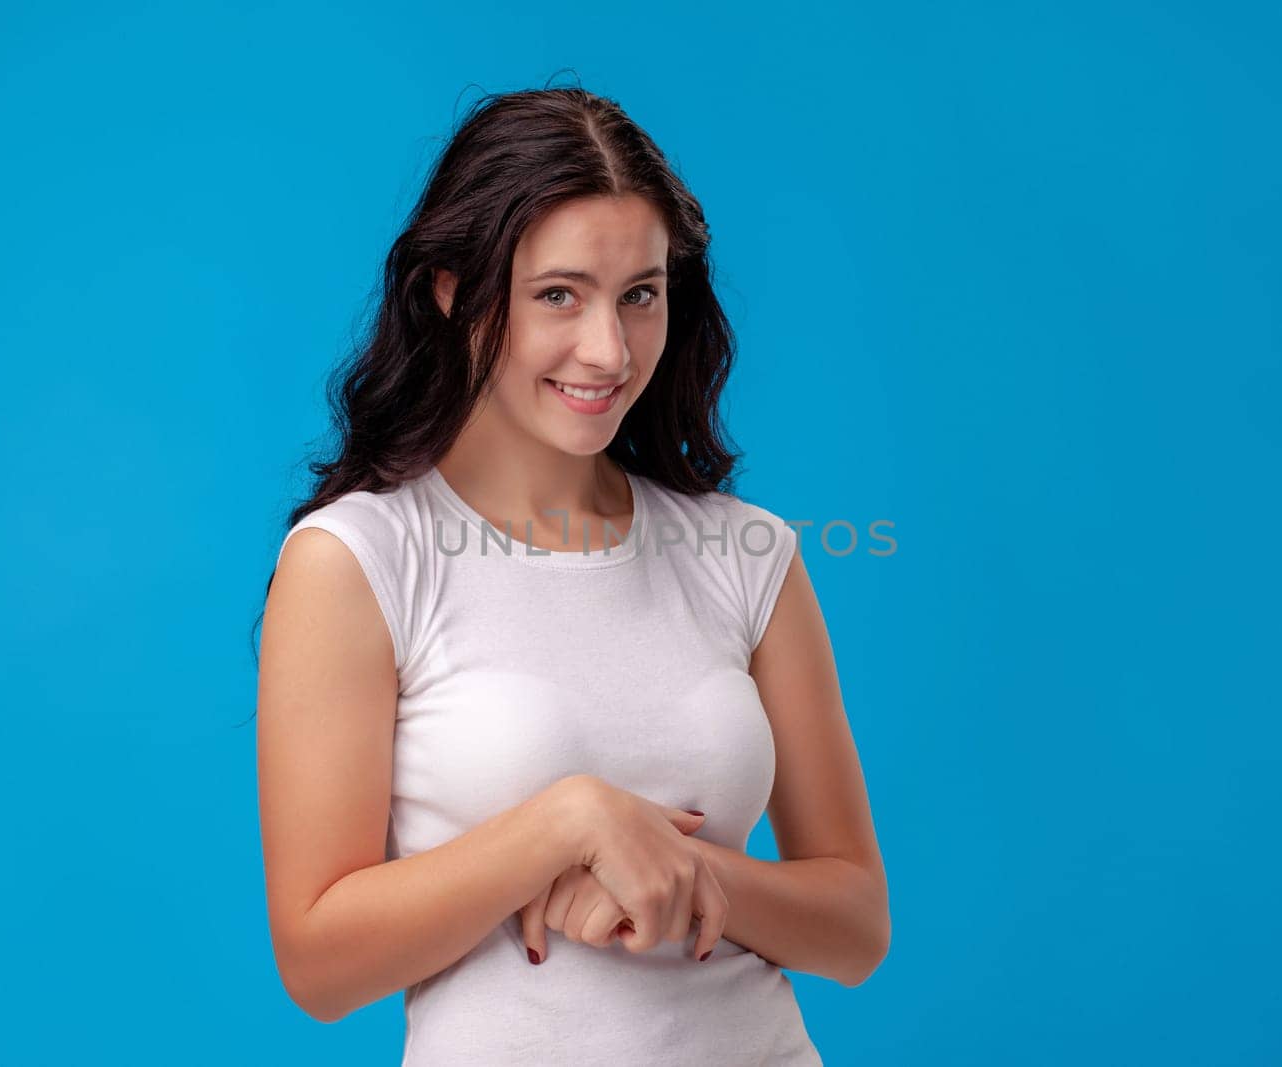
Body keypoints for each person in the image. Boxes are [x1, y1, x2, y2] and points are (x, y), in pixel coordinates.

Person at [255, 86, 889, 1065]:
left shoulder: (747, 553)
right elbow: (318, 961)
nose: (609, 349)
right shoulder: (359, 559)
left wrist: (675, 871)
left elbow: (854, 924)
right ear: (453, 292)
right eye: (559, 293)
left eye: (640, 293)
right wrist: (566, 822)